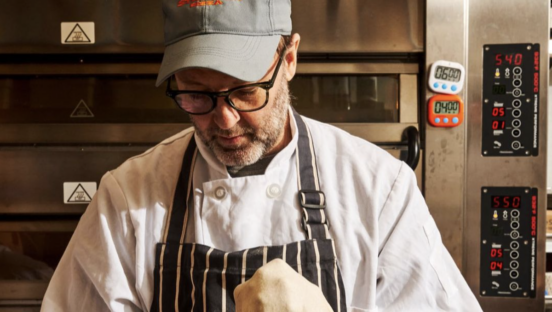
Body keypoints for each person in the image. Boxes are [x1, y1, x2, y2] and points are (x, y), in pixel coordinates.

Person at [42, 0, 482, 311]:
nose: (226, 120)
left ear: (288, 58)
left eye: (245, 90)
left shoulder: (378, 190)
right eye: (197, 95)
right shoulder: (127, 199)